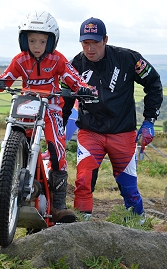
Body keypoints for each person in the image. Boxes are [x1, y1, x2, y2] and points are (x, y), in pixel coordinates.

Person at [0, 11, 90, 224]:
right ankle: (7, 184)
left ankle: (58, 206)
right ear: (23, 40)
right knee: (13, 138)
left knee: (57, 150)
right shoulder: (20, 60)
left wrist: (85, 89)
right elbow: (6, 79)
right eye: (32, 40)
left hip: (52, 109)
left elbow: (72, 77)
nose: (36, 45)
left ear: (50, 41)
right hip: (26, 106)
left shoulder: (58, 59)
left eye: (41, 41)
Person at [64, 17, 163, 221]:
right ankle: (81, 227)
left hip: (123, 132)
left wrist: (149, 121)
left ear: (105, 39)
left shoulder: (128, 58)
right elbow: (65, 98)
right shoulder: (75, 65)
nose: (90, 49)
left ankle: (138, 225)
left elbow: (153, 83)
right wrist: (59, 126)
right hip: (90, 131)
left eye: (95, 43)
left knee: (128, 187)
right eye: (85, 43)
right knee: (83, 180)